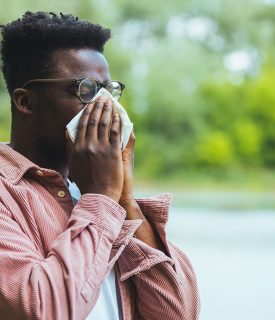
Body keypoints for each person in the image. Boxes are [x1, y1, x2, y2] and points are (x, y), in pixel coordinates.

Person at [0, 11, 200, 320]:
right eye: (85, 90)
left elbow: (177, 314)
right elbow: (42, 310)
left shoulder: (97, 192)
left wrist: (124, 199)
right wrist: (102, 198)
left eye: (108, 90)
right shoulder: (7, 193)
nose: (106, 106)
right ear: (25, 101)